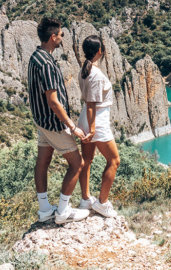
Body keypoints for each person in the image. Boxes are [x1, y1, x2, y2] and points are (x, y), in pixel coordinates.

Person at [28, 18, 90, 224]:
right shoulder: (46, 63)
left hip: (41, 121)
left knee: (43, 162)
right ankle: (63, 211)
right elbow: (53, 102)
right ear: (53, 37)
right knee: (77, 163)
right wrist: (72, 127)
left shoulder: (36, 56)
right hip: (53, 123)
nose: (62, 38)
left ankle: (45, 209)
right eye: (61, 35)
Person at [76, 35, 120, 218]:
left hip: (86, 118)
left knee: (87, 160)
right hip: (96, 121)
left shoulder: (85, 70)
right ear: (99, 51)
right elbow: (93, 103)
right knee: (114, 160)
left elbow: (89, 103)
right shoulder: (94, 73)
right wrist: (93, 130)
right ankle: (102, 202)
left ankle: (86, 199)